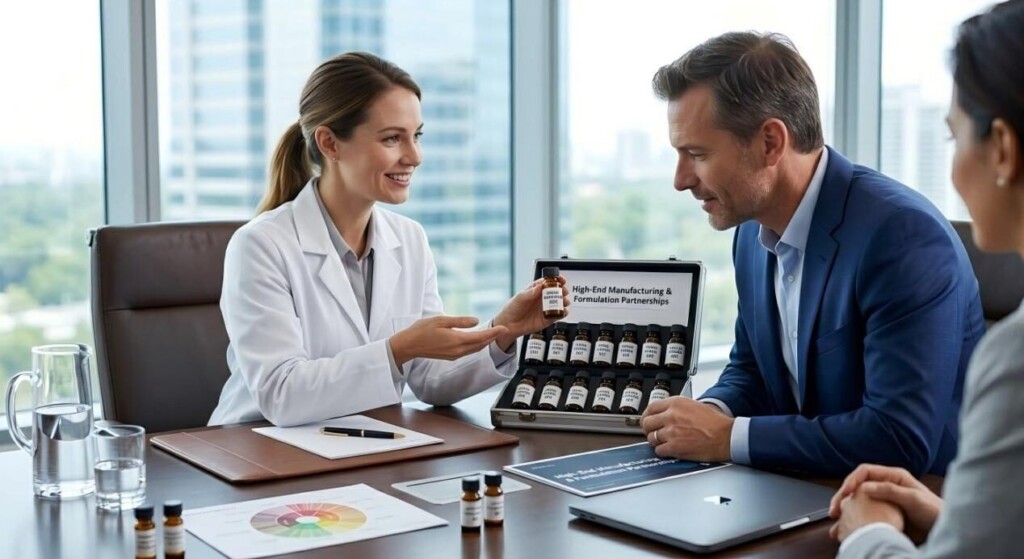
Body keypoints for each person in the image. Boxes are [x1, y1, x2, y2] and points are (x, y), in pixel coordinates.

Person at [640, 32, 985, 476]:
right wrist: (706, 413)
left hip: (916, 512)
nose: (680, 179)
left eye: (697, 154)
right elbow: (753, 370)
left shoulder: (902, 237)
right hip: (804, 491)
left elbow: (899, 438)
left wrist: (725, 438)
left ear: (770, 143)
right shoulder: (751, 233)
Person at [209, 52, 568, 427]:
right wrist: (398, 350)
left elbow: (429, 379)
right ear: (330, 144)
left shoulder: (409, 239)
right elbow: (282, 395)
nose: (414, 156)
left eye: (417, 136)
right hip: (259, 448)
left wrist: (503, 332)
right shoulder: (260, 245)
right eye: (393, 138)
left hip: (361, 443)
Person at [829, 1, 1024, 555]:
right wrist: (956, 517)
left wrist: (868, 533)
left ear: (1003, 150)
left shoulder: (1017, 359)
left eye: (953, 137)